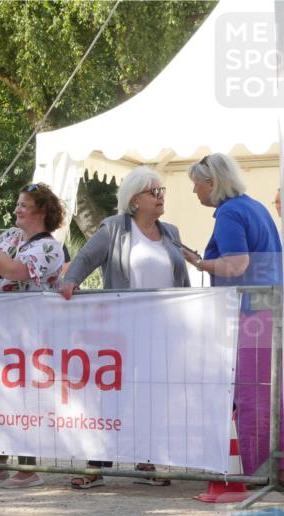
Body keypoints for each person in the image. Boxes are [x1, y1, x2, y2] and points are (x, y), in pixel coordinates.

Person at [60, 166, 191, 489]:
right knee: (110, 396)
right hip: (121, 330)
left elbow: (182, 280)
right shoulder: (114, 228)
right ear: (134, 200)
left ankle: (146, 460)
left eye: (162, 191)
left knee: (152, 395)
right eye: (153, 192)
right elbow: (84, 258)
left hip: (161, 331)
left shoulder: (171, 232)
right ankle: (96, 464)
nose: (160, 197)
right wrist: (71, 280)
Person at [185, 153, 283, 481]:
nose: (195, 191)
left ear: (212, 183)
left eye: (196, 184)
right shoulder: (255, 207)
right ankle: (276, 468)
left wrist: (200, 264)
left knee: (252, 393)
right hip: (271, 308)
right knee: (274, 393)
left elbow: (236, 264)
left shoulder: (229, 212)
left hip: (252, 313)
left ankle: (258, 471)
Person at [0, 182, 65, 489]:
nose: (17, 209)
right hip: (0, 328)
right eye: (18, 203)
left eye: (23, 205)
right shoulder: (9, 236)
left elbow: (13, 271)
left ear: (41, 211)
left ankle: (28, 467)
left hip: (30, 331)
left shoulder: (50, 248)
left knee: (24, 398)